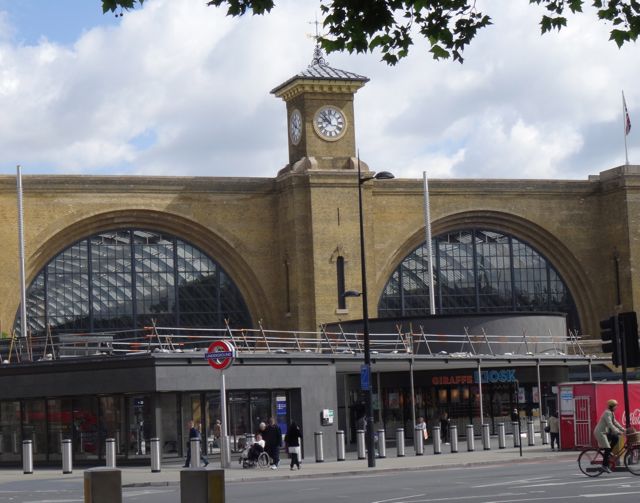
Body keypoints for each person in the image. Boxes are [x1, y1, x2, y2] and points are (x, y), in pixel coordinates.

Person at [594, 399, 625, 473]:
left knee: (615, 437)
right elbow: (610, 424)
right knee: (607, 448)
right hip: (600, 433)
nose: (616, 407)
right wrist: (617, 431)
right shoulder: (607, 413)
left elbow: (615, 422)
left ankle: (609, 452)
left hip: (604, 432)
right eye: (615, 406)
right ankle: (604, 466)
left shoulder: (611, 413)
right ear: (611, 406)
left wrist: (623, 430)